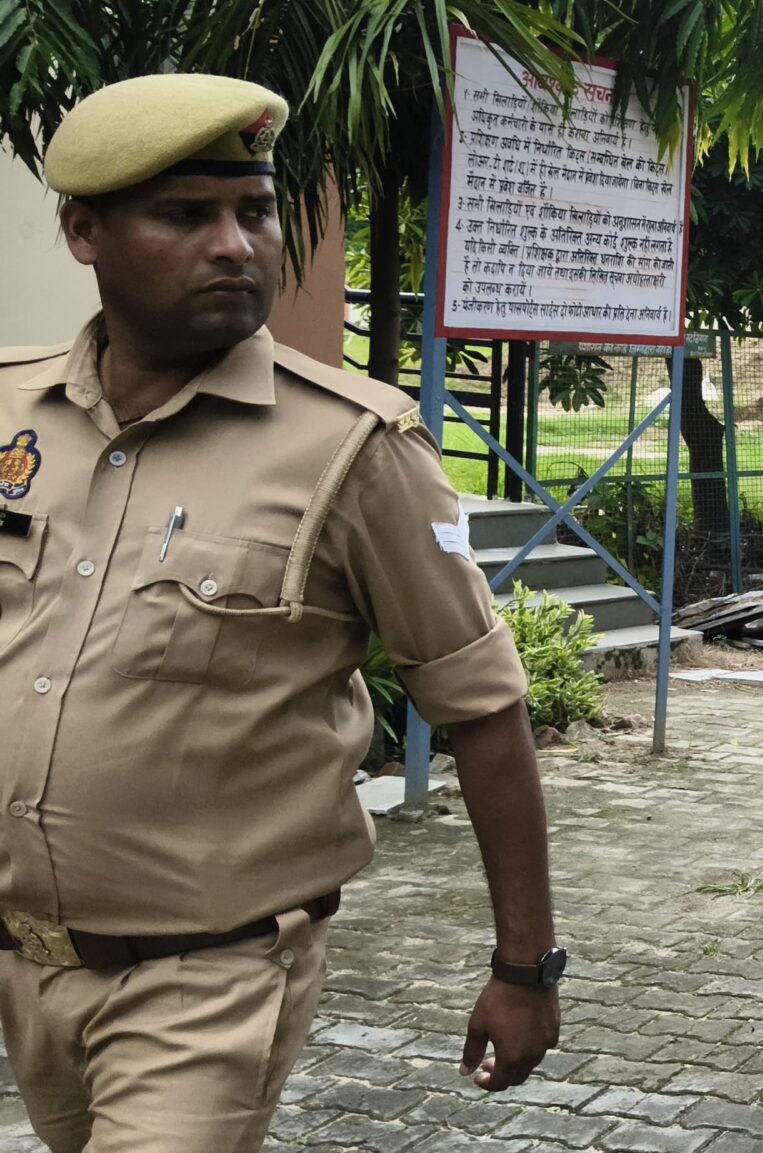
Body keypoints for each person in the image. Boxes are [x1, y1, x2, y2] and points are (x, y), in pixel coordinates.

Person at [0, 74, 562, 1151]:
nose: (235, 246)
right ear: (84, 232)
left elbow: (482, 705)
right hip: (26, 962)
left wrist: (524, 965)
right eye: (185, 215)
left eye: (254, 212)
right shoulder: (9, 409)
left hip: (207, 977)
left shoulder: (355, 449)